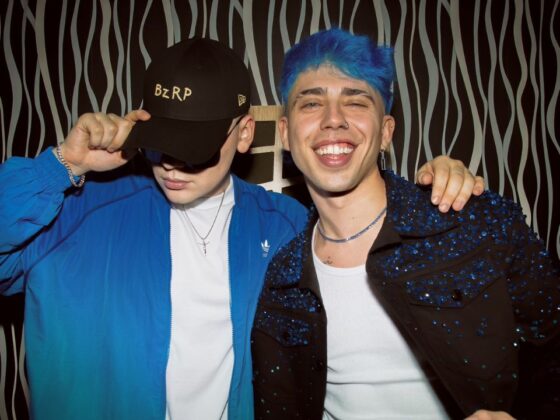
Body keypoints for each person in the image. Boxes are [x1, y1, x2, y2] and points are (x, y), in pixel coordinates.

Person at [0, 37, 482, 420]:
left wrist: (437, 190)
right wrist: (60, 166)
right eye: (162, 140)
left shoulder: (288, 226)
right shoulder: (77, 208)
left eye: (196, 146)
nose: (173, 165)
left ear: (245, 133)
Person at [251, 28, 560, 420]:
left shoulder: (473, 221)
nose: (333, 120)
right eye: (311, 103)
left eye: (356, 101)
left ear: (386, 132)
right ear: (285, 134)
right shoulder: (283, 280)